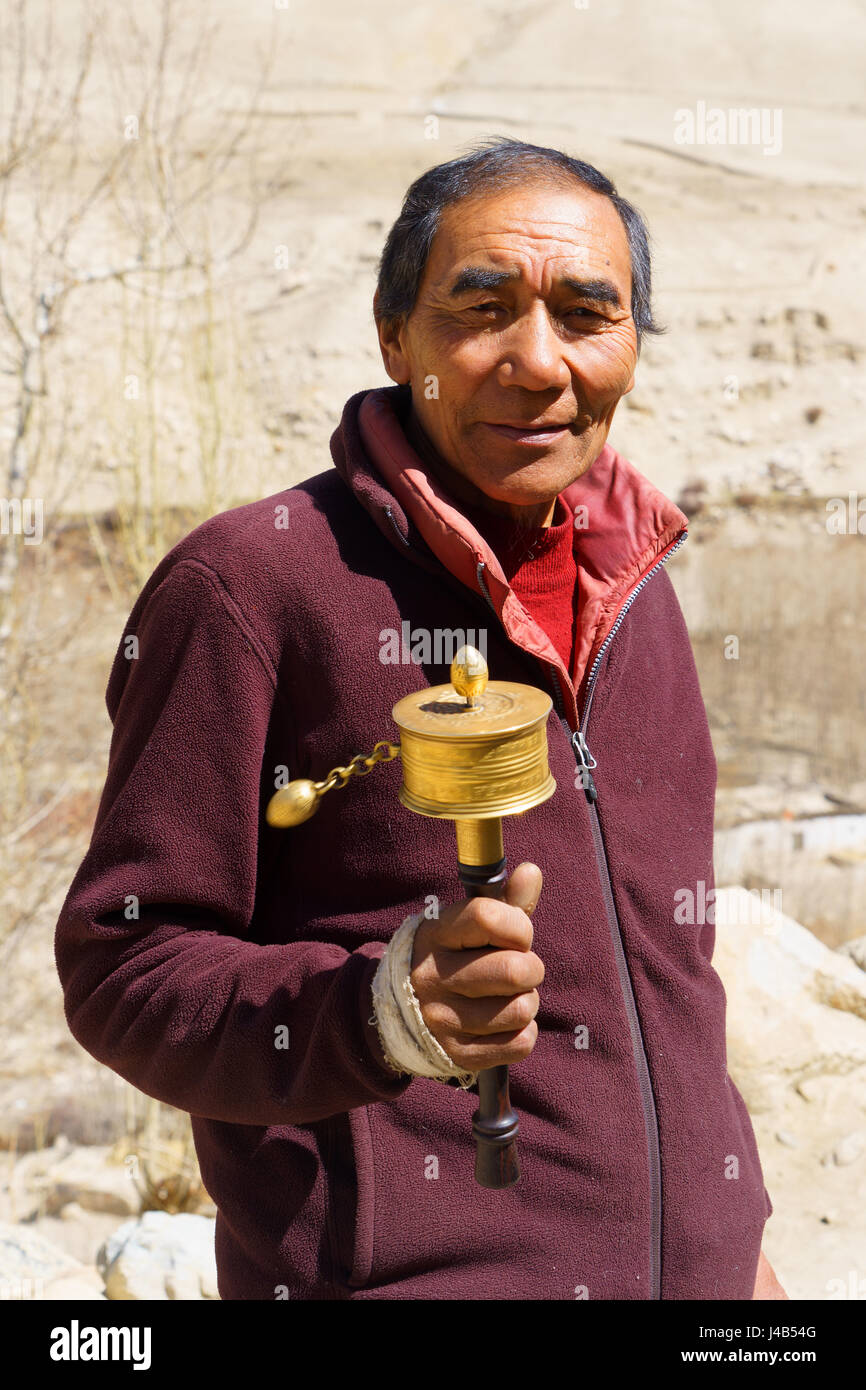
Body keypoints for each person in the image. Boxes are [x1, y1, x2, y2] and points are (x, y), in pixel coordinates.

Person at [55, 137, 786, 1300]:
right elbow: (122, 966)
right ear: (395, 335)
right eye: (481, 308)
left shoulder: (636, 589)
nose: (536, 363)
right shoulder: (252, 587)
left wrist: (729, 1238)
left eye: (587, 313)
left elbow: (669, 980)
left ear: (632, 344)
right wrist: (378, 1014)